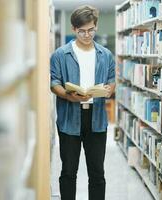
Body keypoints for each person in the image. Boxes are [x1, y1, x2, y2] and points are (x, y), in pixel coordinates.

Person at [50, 5, 115, 200]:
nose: (87, 35)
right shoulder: (60, 55)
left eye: (91, 30)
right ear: (73, 29)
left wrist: (110, 89)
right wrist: (68, 96)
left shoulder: (106, 55)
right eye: (81, 31)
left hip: (96, 119)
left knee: (97, 173)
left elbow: (111, 80)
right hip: (70, 119)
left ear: (96, 26)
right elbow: (54, 83)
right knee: (69, 172)